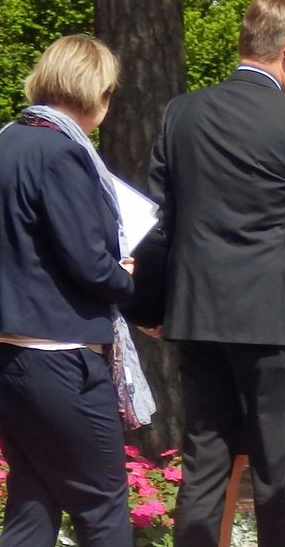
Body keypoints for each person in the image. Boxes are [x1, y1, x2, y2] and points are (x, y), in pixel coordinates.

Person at [146, 1, 285, 545]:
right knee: (281, 471)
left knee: (205, 461)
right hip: (276, 321)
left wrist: (149, 306)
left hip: (198, 316)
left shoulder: (183, 112)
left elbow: (159, 221)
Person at [0, 35, 135, 547]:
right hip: (61, 356)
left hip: (11, 356)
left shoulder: (7, 140)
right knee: (102, 508)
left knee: (33, 505)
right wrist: (127, 276)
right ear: (93, 89)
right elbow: (89, 265)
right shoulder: (61, 155)